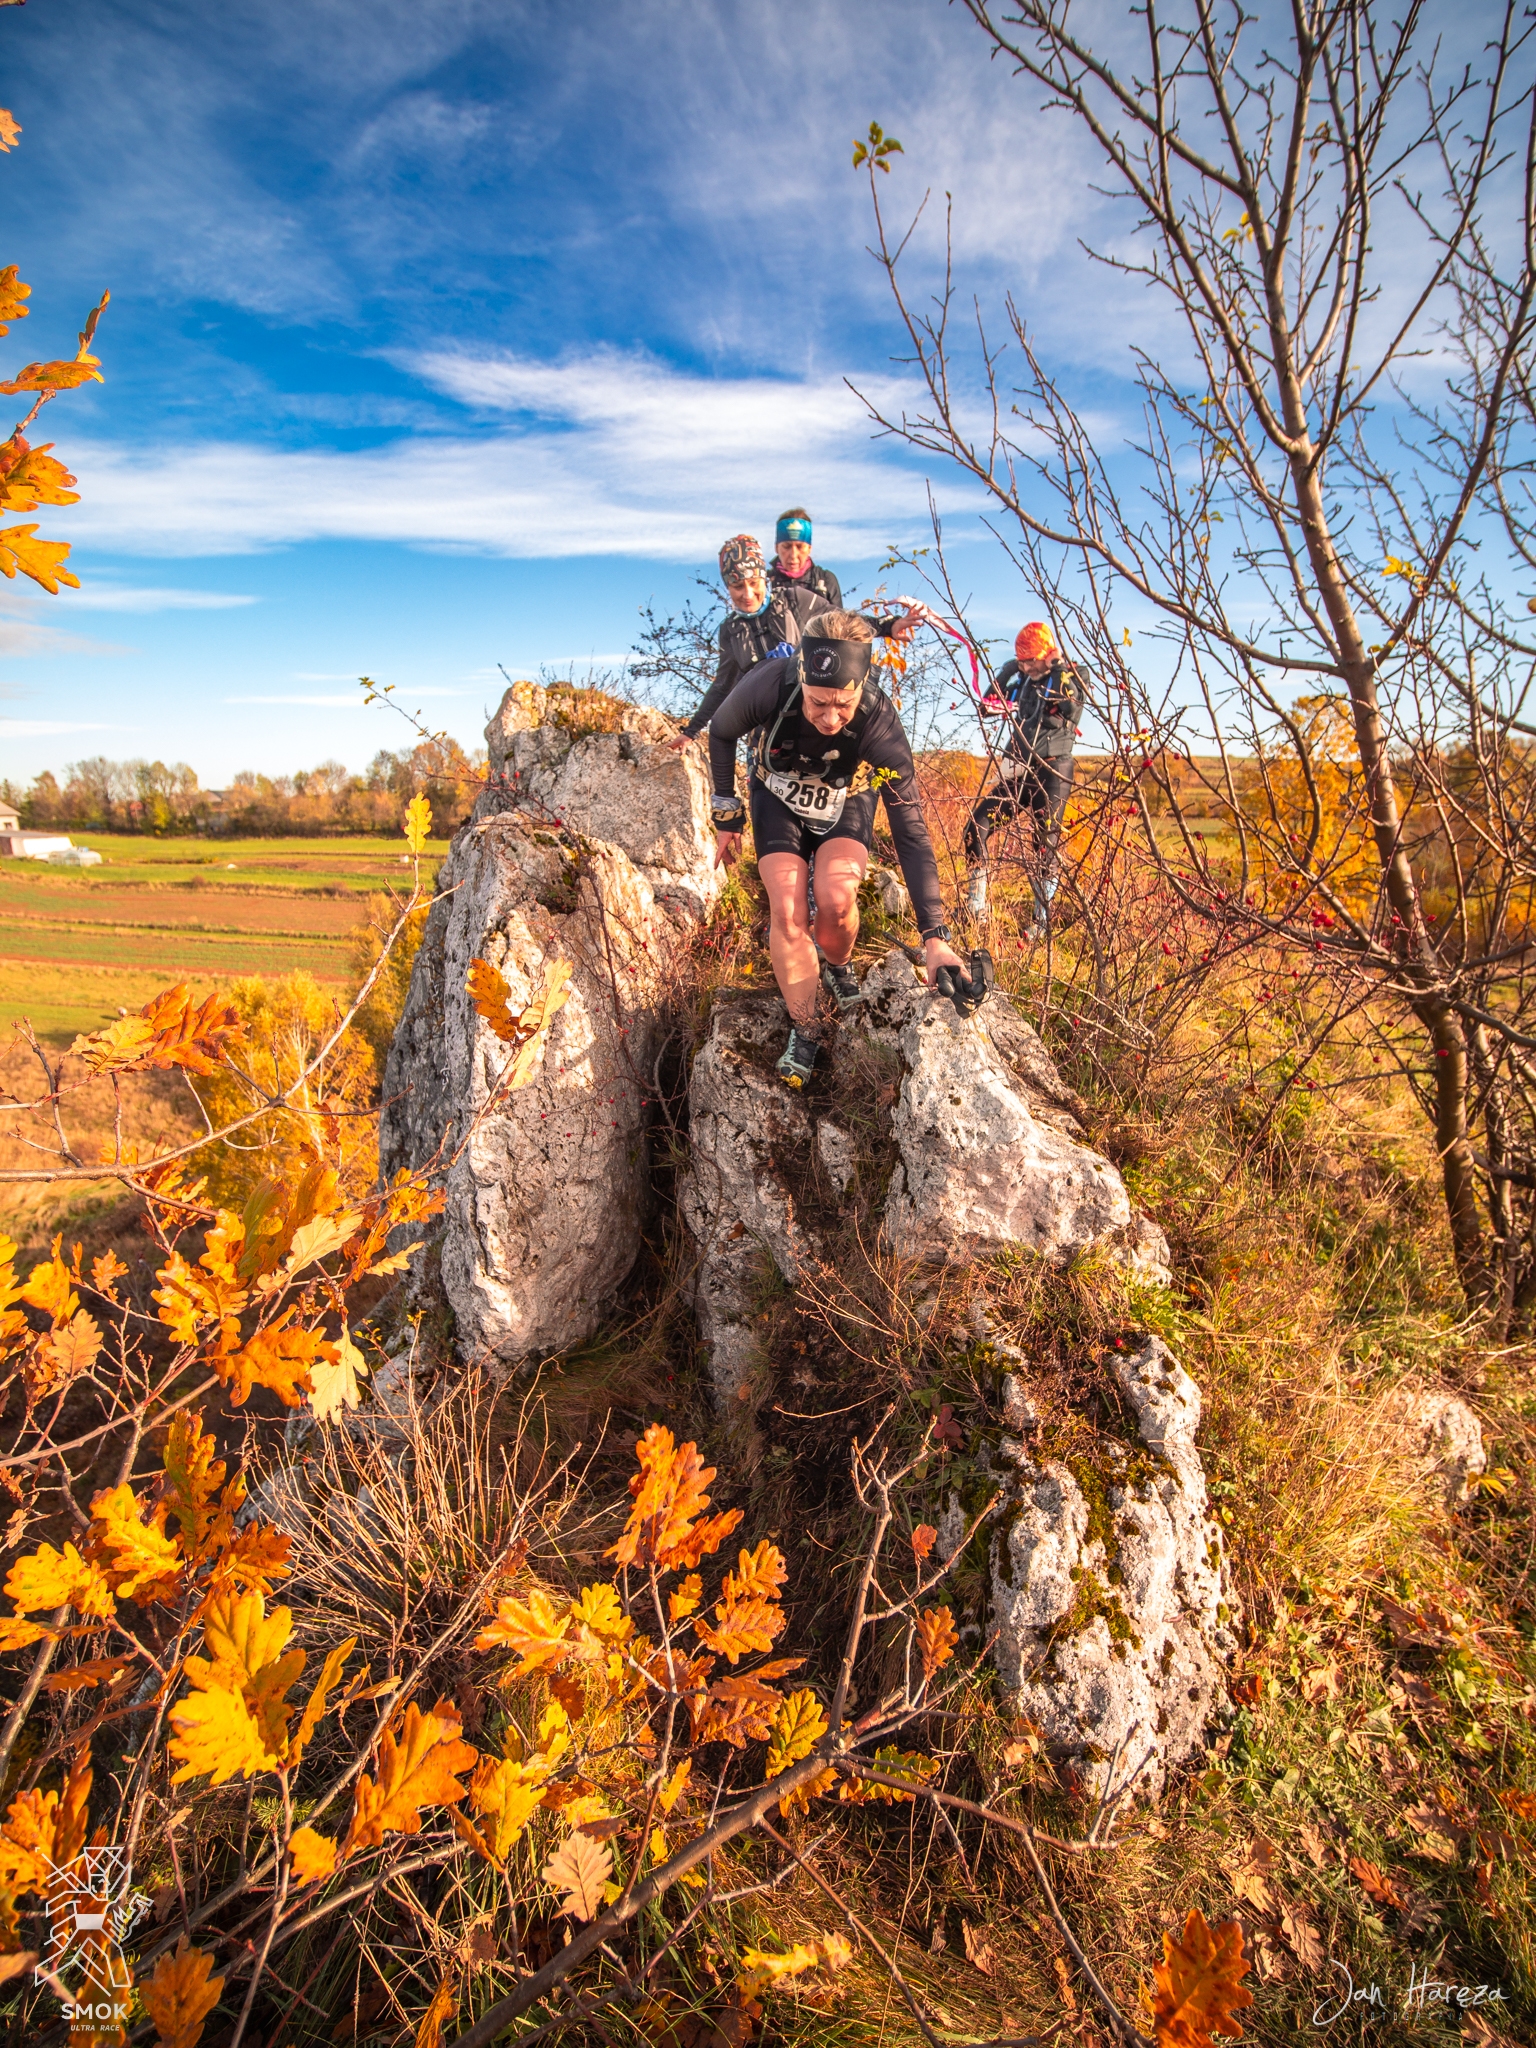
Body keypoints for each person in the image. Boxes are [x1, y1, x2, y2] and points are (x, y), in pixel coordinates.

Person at [708, 610, 970, 1087]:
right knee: (787, 910)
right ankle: (807, 1026)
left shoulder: (880, 722)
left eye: (843, 705)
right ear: (802, 674)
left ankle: (838, 964)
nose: (830, 718)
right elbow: (721, 731)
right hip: (777, 793)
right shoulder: (770, 682)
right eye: (817, 702)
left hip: (846, 797)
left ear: (863, 684)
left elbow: (911, 832)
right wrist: (726, 812)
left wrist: (935, 936)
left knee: (836, 897)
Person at [963, 619, 1085, 933]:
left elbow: (1070, 705)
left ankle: (1040, 924)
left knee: (1044, 845)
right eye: (1022, 661)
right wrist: (1008, 671)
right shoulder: (1022, 680)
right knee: (976, 827)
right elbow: (987, 706)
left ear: (1048, 654)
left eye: (1031, 660)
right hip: (1018, 769)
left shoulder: (1072, 675)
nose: (1027, 667)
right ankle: (976, 909)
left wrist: (1057, 668)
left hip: (1053, 770)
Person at [768, 508, 843, 608]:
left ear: (809, 548)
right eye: (786, 546)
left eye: (800, 547)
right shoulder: (763, 583)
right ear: (776, 547)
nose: (793, 554)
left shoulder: (826, 580)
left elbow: (839, 617)